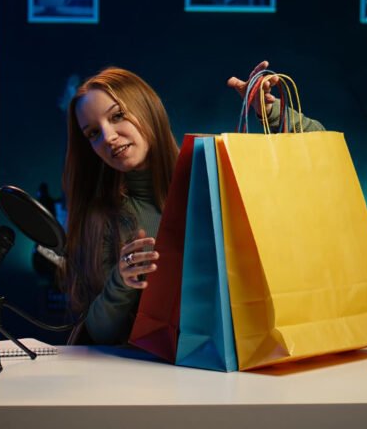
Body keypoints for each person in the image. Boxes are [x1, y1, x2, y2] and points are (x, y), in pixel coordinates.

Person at [60, 61, 323, 344]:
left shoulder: (210, 173)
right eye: (93, 133)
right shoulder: (102, 218)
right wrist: (121, 281)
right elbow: (99, 333)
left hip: (251, 360)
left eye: (117, 116)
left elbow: (319, 156)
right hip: (157, 378)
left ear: (147, 108)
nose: (108, 137)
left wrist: (269, 112)